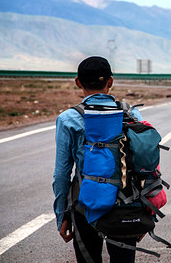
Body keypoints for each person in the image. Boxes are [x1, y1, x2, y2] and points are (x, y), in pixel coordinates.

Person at [52, 56, 142, 263]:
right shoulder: (131, 114)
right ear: (110, 82)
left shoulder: (68, 119)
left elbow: (62, 174)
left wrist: (62, 215)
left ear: (78, 82)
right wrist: (144, 213)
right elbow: (143, 165)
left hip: (85, 205)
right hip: (126, 207)